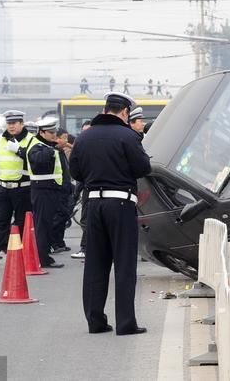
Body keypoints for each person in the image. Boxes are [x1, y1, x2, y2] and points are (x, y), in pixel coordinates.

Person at [69, 92, 151, 335]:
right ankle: (125, 323)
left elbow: (76, 172)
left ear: (105, 110)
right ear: (125, 112)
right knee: (124, 264)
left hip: (93, 204)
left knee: (95, 264)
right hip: (122, 204)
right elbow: (143, 168)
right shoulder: (128, 136)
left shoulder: (84, 138)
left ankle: (95, 321)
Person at [0, 110, 34, 265]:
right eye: (9, 123)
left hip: (23, 188)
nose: (11, 127)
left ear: (21, 124)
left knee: (20, 223)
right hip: (3, 188)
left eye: (14, 123)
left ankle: (20, 255)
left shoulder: (30, 140)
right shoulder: (1, 140)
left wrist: (19, 151)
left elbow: (35, 161)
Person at [26, 118, 65, 268]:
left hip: (50, 190)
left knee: (48, 224)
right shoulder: (36, 146)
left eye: (55, 131)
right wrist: (51, 149)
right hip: (42, 190)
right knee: (42, 225)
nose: (54, 134)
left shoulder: (45, 145)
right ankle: (42, 258)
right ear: (42, 132)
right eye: (51, 132)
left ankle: (45, 255)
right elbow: (38, 161)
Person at [50, 128, 74, 254]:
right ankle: (54, 242)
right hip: (58, 189)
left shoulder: (61, 151)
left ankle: (60, 242)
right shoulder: (53, 151)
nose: (66, 140)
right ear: (56, 138)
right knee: (58, 217)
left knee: (64, 216)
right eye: (63, 137)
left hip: (66, 188)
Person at [71, 121, 92, 259]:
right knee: (86, 220)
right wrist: (77, 192)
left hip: (95, 189)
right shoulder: (81, 148)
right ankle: (86, 248)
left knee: (91, 221)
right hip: (86, 189)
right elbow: (77, 173)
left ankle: (88, 248)